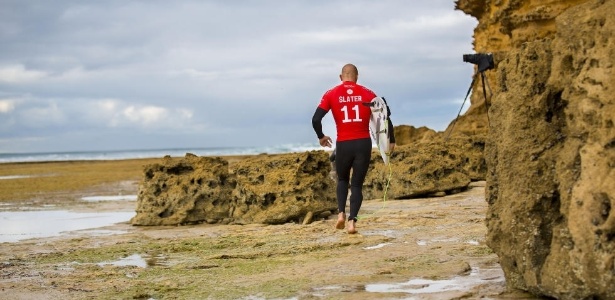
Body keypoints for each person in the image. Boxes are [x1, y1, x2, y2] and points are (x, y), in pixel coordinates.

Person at [311, 63, 395, 234]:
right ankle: (352, 223)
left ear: (341, 77)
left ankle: (341, 213)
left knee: (342, 180)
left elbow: (315, 119)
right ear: (357, 77)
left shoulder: (331, 93)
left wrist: (321, 137)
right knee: (356, 185)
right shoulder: (368, 93)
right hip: (363, 144)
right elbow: (385, 118)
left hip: (343, 144)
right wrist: (390, 140)